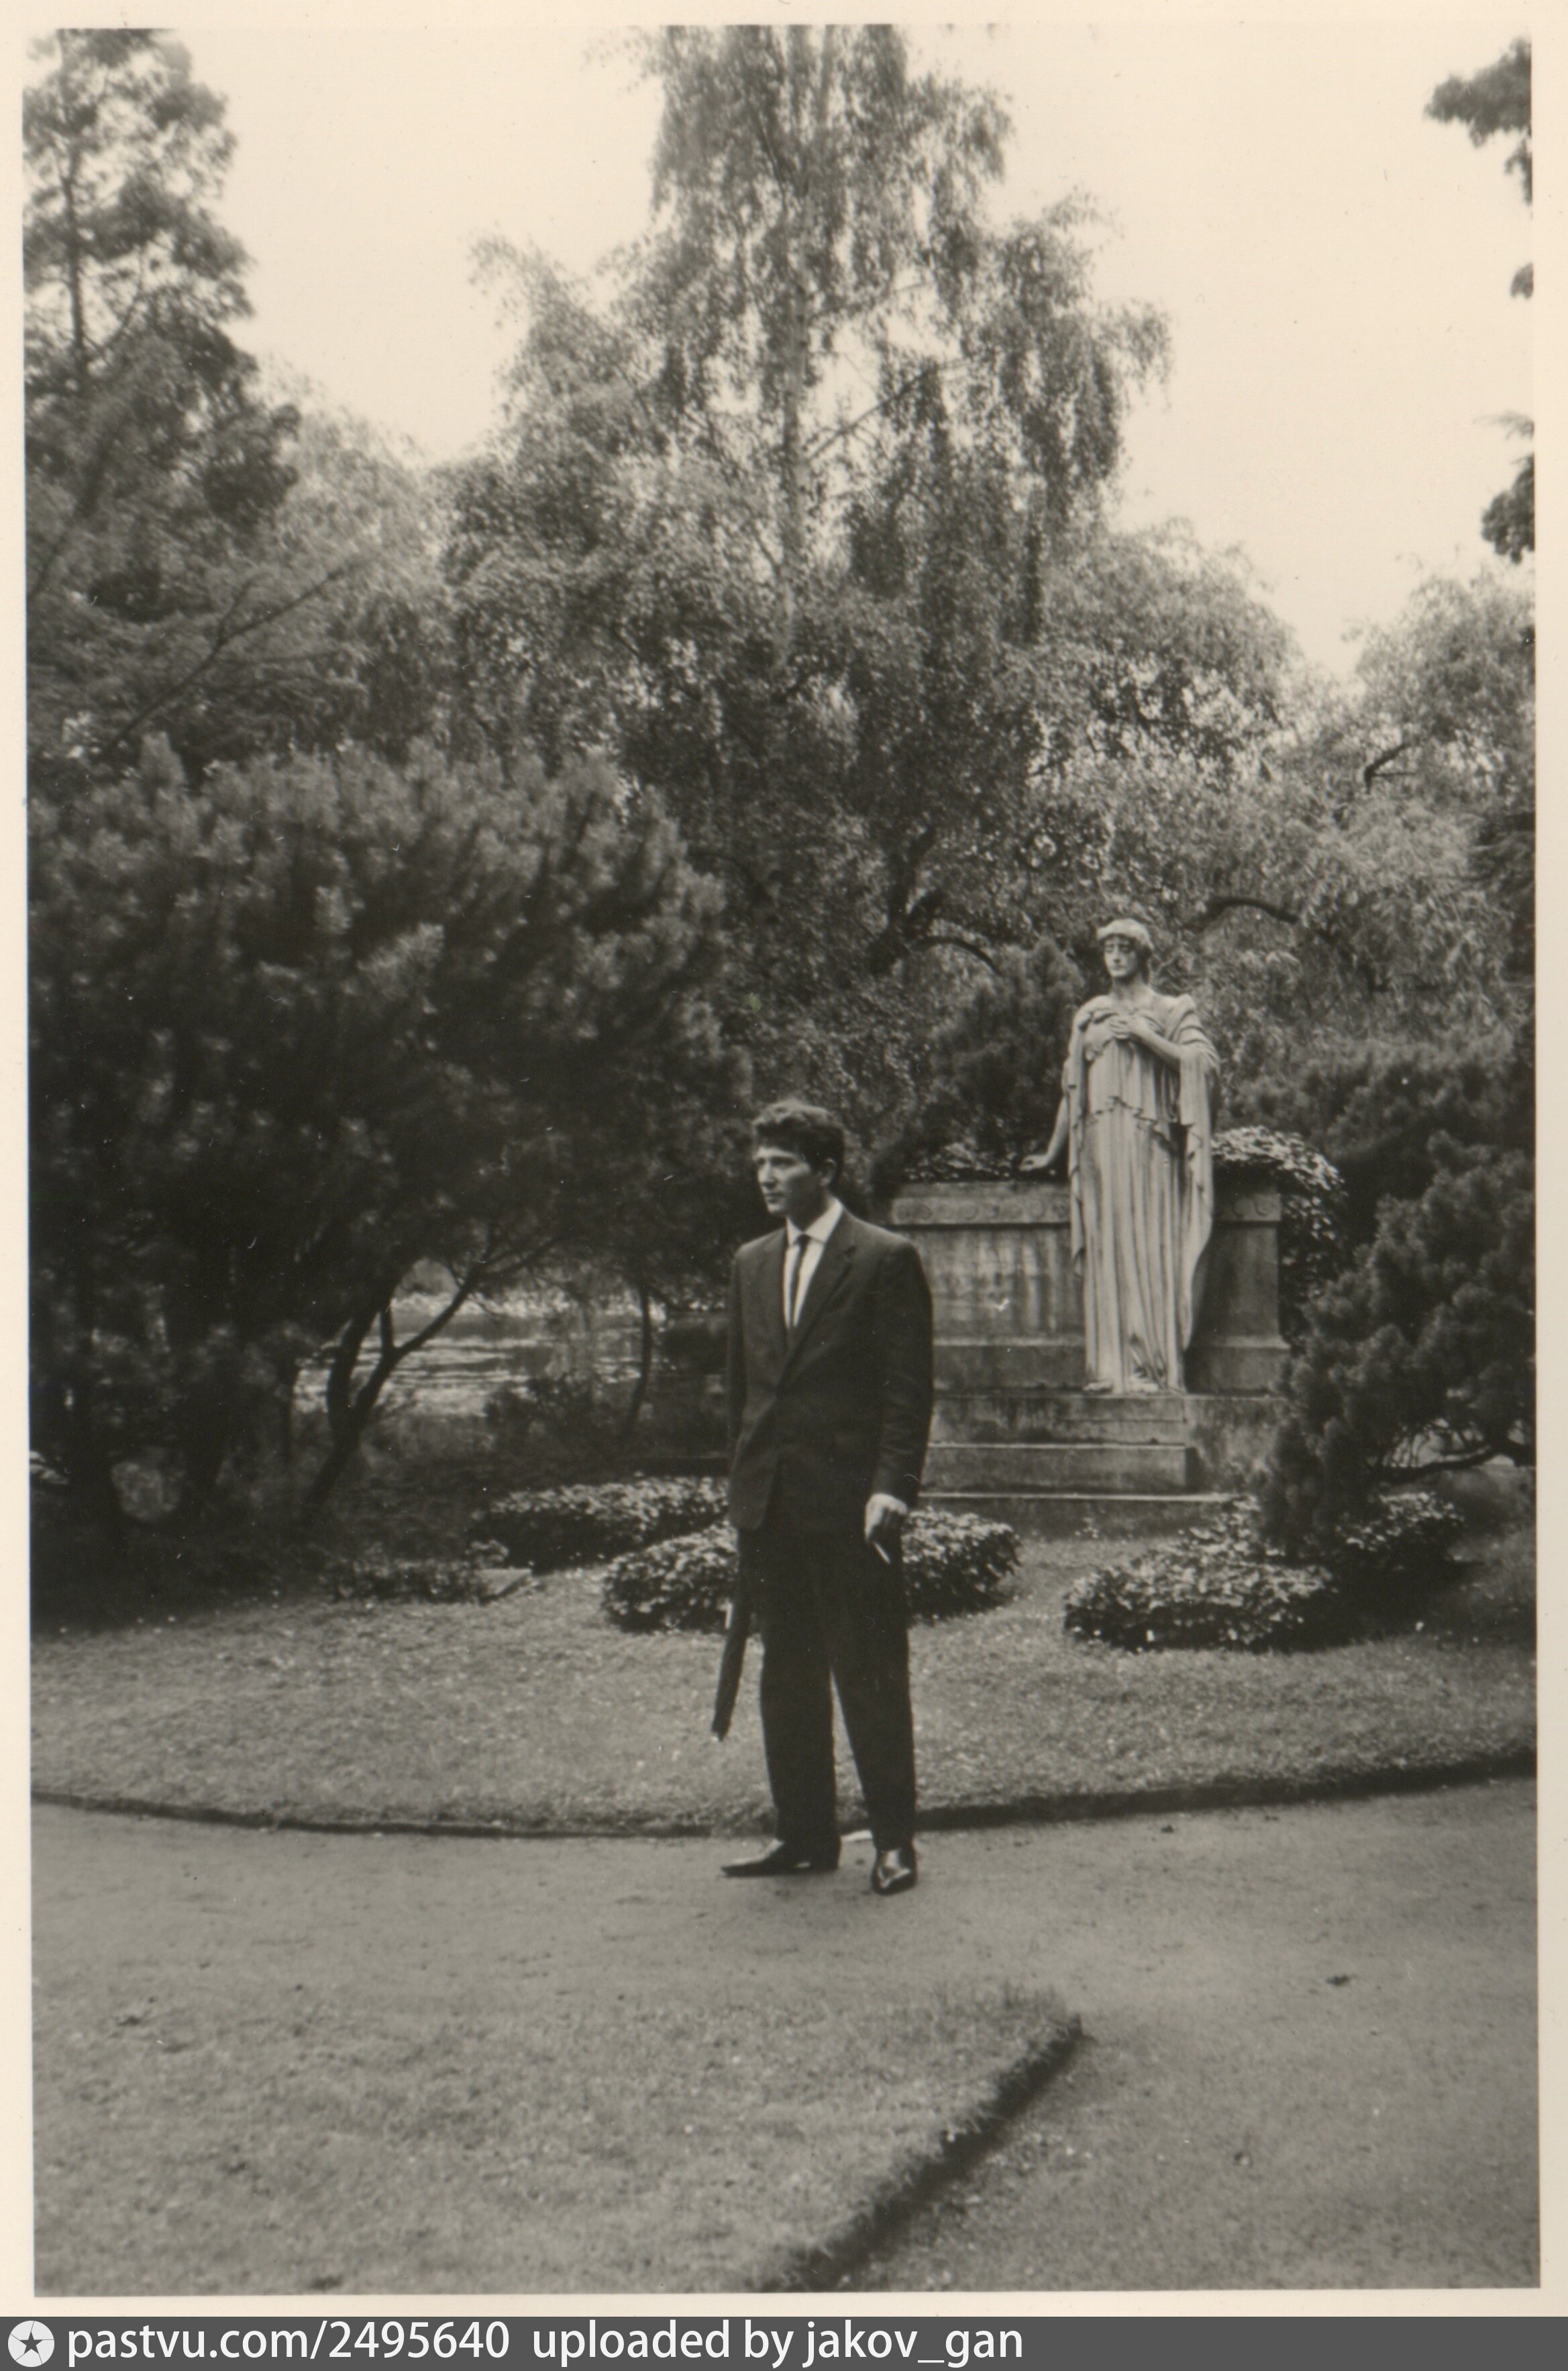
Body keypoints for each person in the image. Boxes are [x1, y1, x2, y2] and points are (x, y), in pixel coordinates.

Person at [717, 1100, 934, 1895]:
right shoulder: (750, 1263)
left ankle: (895, 1842)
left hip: (852, 1509)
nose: (766, 1177)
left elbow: (908, 1391)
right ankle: (804, 1835)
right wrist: (742, 1488)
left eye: (783, 1163)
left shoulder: (882, 1258)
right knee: (787, 1677)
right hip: (770, 1506)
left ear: (827, 1172)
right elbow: (743, 1392)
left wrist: (892, 1488)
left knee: (870, 1675)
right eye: (761, 1163)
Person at [1022, 919, 1219, 1394]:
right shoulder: (1089, 1016)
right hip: (1101, 1148)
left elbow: (1204, 1067)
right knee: (1109, 1250)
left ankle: (1149, 1368)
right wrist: (1052, 1154)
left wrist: (1145, 1037)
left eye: (1124, 948)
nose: (1114, 956)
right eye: (1108, 948)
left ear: (1142, 956)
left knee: (1147, 1249)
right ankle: (1110, 1369)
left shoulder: (1171, 1009)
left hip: (1151, 1148)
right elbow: (1072, 1091)